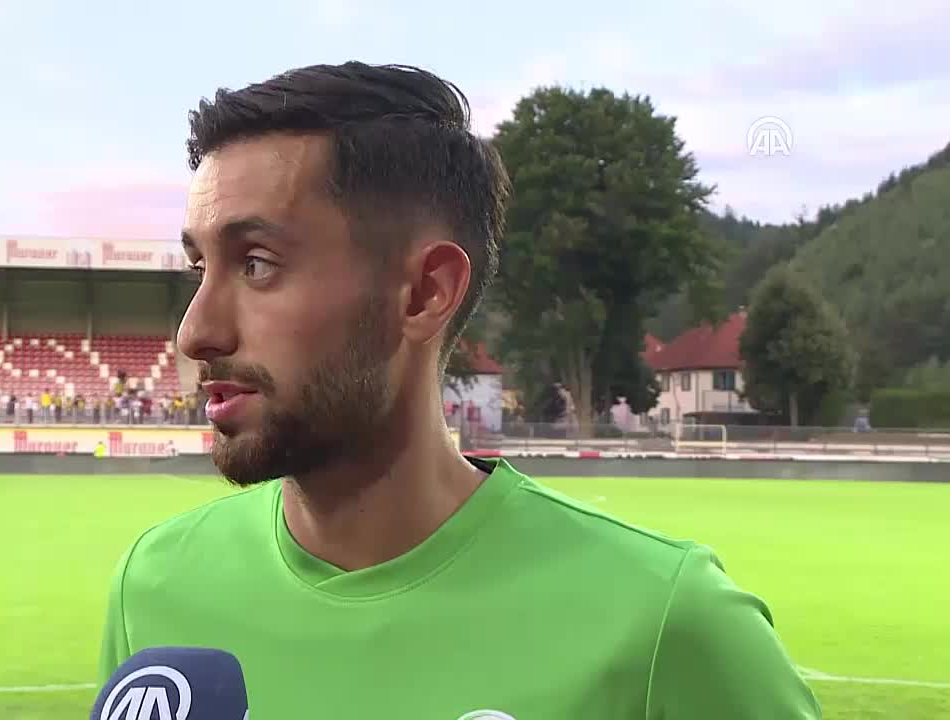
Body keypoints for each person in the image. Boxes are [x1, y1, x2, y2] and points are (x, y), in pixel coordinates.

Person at [94, 62, 821, 719]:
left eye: (256, 264)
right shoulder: (154, 587)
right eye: (200, 269)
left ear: (424, 293)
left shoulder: (668, 623)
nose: (194, 332)